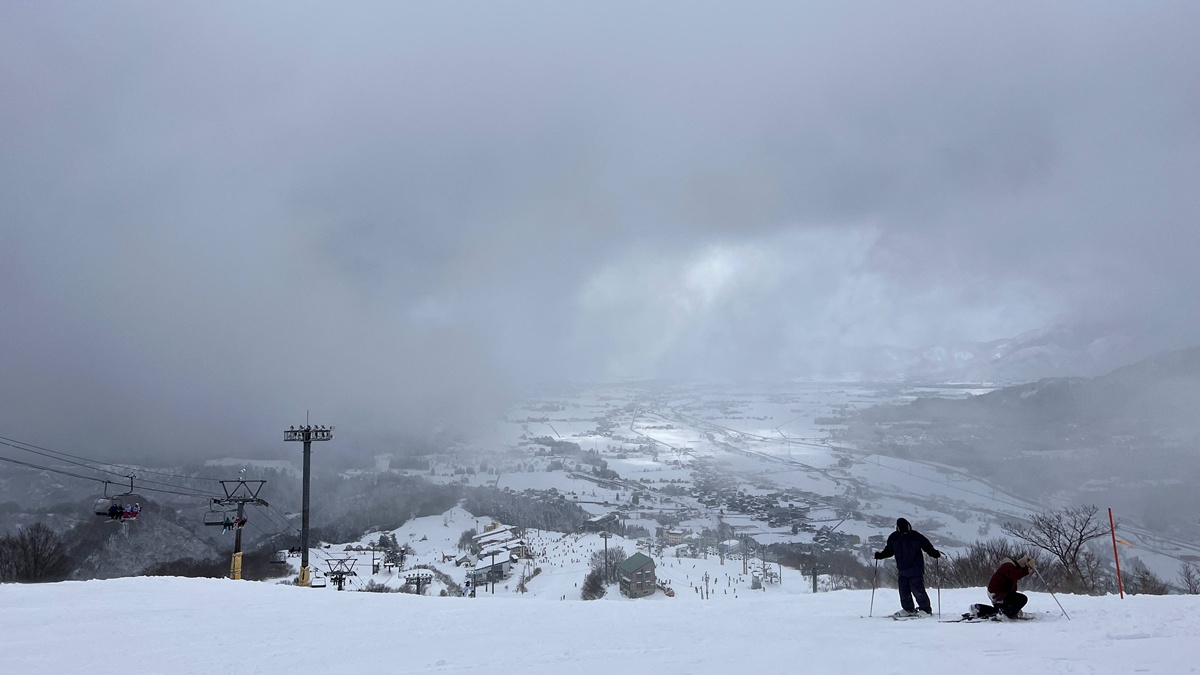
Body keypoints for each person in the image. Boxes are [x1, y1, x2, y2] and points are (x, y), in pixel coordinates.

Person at [874, 517, 942, 617]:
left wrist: (934, 553)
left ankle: (926, 609)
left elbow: (927, 546)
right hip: (902, 569)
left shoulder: (916, 536)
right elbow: (889, 551)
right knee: (903, 591)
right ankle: (908, 609)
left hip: (916, 569)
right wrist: (881, 555)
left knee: (918, 590)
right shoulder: (894, 537)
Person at [977, 555, 1035, 620]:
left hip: (997, 592)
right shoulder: (1008, 566)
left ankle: (979, 608)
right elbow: (1015, 575)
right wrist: (1026, 568)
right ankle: (1006, 613)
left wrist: (1015, 608)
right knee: (1022, 599)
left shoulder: (1009, 567)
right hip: (997, 592)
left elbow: (1012, 587)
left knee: (1000, 609)